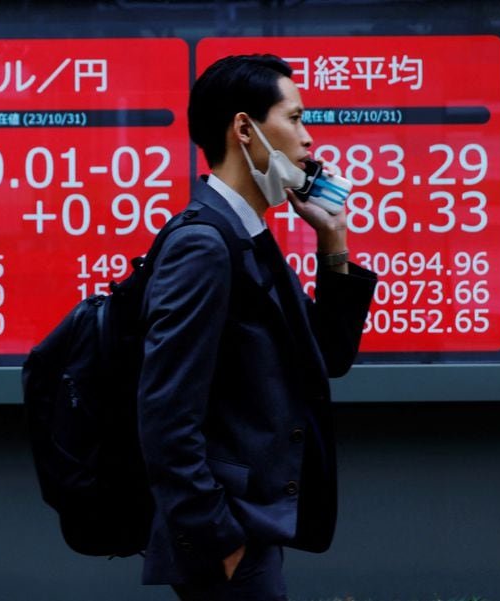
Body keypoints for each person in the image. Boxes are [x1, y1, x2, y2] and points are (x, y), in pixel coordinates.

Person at [136, 54, 377, 600]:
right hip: (226, 533)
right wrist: (219, 538)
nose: (309, 138)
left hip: (251, 523)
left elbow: (329, 357)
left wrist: (333, 240)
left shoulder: (247, 235)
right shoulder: (204, 243)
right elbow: (165, 413)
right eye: (294, 119)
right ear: (244, 128)